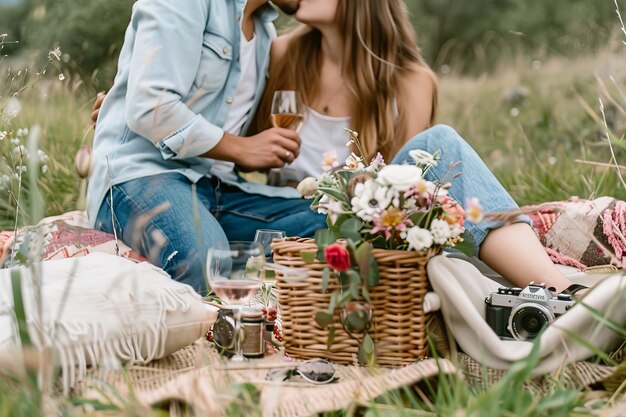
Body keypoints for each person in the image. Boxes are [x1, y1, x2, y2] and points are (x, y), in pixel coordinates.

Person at [251, 0, 585, 296]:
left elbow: (410, 189)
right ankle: (558, 293)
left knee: (438, 144)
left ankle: (559, 294)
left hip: (358, 229)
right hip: (289, 223)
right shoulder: (283, 55)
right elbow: (249, 148)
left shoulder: (410, 82)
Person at [87, 0, 326, 294]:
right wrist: (242, 148)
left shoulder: (265, 35)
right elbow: (149, 107)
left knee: (330, 221)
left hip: (214, 188)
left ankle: (228, 259)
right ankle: (217, 261)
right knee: (202, 260)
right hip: (141, 176)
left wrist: (257, 153)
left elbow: (229, 133)